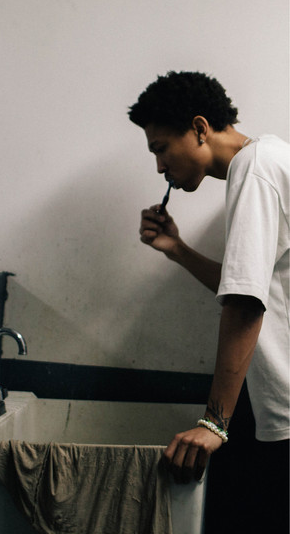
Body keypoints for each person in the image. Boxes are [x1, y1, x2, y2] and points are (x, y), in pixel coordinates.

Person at [128, 71, 289, 532]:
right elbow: (253, 285)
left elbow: (245, 301)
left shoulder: (254, 169)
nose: (160, 167)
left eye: (161, 148)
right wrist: (178, 250)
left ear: (200, 128)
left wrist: (214, 423)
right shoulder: (269, 158)